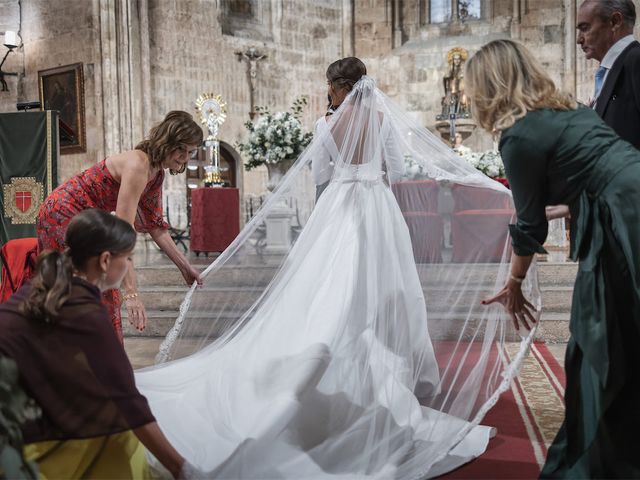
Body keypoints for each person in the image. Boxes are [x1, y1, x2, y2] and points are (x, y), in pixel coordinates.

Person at [135, 57, 533, 479]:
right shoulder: (382, 119)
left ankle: (324, 366)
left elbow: (321, 174)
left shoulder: (327, 125)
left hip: (340, 208)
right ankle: (385, 375)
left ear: (337, 86)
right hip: (378, 209)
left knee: (326, 291)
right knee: (382, 291)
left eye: (330, 87)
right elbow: (397, 170)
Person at [467, 39, 640, 478]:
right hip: (627, 198)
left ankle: (601, 463)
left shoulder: (519, 135)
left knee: (600, 340)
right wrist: (570, 201)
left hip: (626, 218)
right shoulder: (565, 109)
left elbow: (528, 226)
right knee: (618, 336)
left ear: (488, 86)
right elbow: (600, 163)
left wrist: (514, 282)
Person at [0, 209, 186, 479]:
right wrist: (182, 469)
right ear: (105, 260)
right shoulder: (85, 311)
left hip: (14, 400)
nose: (129, 266)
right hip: (13, 425)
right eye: (129, 258)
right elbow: (128, 401)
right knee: (121, 439)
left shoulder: (53, 282)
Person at [37, 111, 204, 343]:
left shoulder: (156, 175)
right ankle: (85, 359)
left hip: (90, 220)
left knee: (99, 286)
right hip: (63, 212)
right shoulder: (139, 164)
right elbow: (122, 236)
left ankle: (100, 361)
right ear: (167, 141)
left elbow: (157, 228)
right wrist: (132, 293)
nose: (185, 158)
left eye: (191, 152)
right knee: (95, 283)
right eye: (181, 149)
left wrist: (185, 267)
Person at [578, 0, 640, 149]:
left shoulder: (636, 60)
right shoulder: (610, 69)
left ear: (615, 22)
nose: (579, 39)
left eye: (585, 28)